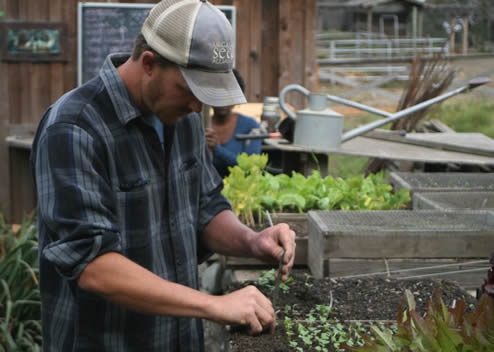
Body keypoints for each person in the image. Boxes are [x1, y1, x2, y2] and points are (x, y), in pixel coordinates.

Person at [30, 1, 296, 351]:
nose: (198, 107)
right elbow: (92, 266)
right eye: (189, 90)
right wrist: (214, 305)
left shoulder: (184, 118)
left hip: (180, 340)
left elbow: (205, 207)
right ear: (150, 64)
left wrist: (251, 241)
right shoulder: (74, 129)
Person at [205, 68, 262, 178]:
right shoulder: (202, 125)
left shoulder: (250, 126)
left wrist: (217, 149)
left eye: (228, 94)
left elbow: (250, 169)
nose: (223, 100)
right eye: (218, 94)